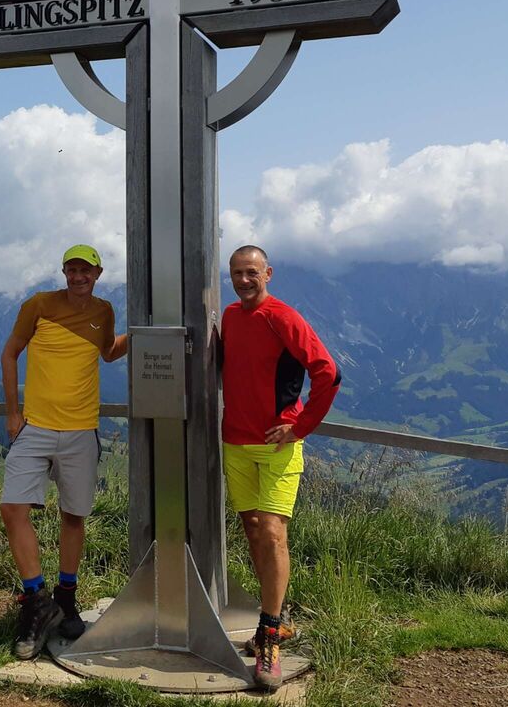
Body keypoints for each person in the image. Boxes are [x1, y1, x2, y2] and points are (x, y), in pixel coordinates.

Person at [220, 245, 340, 689]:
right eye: (237, 273)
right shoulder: (229, 316)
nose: (244, 280)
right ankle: (278, 616)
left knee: (272, 532)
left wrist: (300, 426)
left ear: (267, 273)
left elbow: (328, 372)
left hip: (277, 446)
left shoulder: (283, 317)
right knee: (253, 529)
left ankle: (268, 636)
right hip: (236, 442)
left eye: (251, 272)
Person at [0, 244, 127, 660]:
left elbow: (108, 352)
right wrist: (13, 413)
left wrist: (143, 335)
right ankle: (37, 600)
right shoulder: (39, 305)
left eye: (85, 270)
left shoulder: (104, 311)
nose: (78, 277)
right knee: (12, 508)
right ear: (64, 273)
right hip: (35, 426)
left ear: (98, 273)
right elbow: (10, 353)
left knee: (74, 515)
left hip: (81, 430)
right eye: (71, 270)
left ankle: (65, 600)